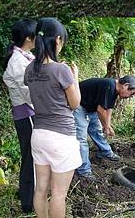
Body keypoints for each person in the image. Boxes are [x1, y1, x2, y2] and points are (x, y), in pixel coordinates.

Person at [24, 18, 81, 218]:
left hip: (38, 135)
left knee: (41, 189)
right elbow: (74, 104)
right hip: (61, 138)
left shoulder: (29, 69)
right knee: (58, 194)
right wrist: (75, 77)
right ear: (57, 40)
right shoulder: (62, 70)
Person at [73, 75, 135, 178]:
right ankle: (84, 171)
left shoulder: (114, 89)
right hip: (79, 106)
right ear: (125, 86)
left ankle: (106, 152)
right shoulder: (109, 85)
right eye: (131, 93)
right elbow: (101, 110)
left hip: (91, 108)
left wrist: (107, 126)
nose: (130, 97)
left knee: (97, 131)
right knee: (81, 140)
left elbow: (108, 109)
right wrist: (105, 125)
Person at [2, 19, 37, 213]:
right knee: (31, 156)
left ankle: (25, 191)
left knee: (30, 154)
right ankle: (27, 201)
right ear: (28, 38)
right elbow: (29, 93)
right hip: (27, 114)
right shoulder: (17, 62)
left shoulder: (26, 56)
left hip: (29, 112)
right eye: (36, 35)